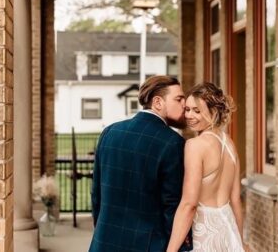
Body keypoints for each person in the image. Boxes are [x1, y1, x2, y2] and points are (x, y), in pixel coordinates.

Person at [88, 75, 192, 252]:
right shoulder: (172, 143)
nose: (185, 105)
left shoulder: (109, 133)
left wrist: (103, 231)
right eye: (179, 99)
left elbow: (96, 194)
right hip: (149, 245)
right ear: (158, 102)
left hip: (104, 243)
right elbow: (172, 206)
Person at [166, 82, 245, 252]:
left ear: (213, 112)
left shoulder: (195, 146)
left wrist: (170, 250)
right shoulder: (229, 144)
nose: (189, 116)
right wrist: (240, 240)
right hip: (228, 230)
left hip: (205, 235)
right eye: (187, 109)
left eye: (197, 111)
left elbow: (189, 204)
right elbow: (236, 201)